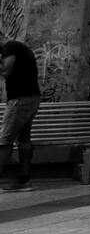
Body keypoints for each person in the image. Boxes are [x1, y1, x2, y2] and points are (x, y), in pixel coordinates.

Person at [1, 37, 41, 192]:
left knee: (4, 141)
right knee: (24, 139)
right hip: (31, 98)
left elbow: (5, 70)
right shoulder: (17, 48)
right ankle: (24, 180)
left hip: (20, 100)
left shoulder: (11, 47)